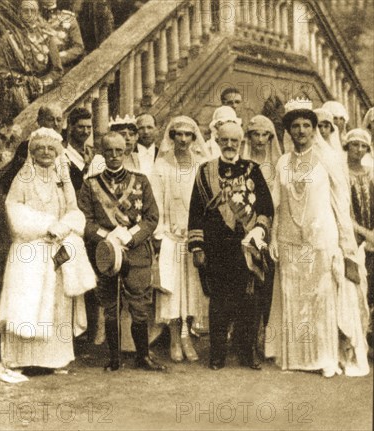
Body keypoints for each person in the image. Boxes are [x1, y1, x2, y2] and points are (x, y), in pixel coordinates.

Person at [266, 99, 370, 377]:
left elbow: (340, 206)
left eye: (306, 126)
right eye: (295, 126)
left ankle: (325, 357)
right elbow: (276, 204)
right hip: (289, 238)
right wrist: (274, 238)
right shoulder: (283, 162)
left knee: (321, 298)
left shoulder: (329, 160)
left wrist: (346, 245)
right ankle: (296, 357)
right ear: (288, 130)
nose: (301, 131)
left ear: (314, 130)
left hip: (322, 238)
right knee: (294, 296)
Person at [0, 127, 95, 377]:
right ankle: (19, 359)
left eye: (51, 149)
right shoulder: (23, 178)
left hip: (56, 248)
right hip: (30, 249)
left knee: (57, 304)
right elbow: (13, 209)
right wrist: (45, 225)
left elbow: (74, 209)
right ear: (32, 151)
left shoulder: (63, 179)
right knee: (26, 301)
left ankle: (55, 358)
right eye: (40, 148)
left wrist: (65, 225)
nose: (46, 153)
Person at [188, 122, 274, 371]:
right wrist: (197, 246)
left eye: (234, 141)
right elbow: (195, 212)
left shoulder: (252, 170)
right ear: (216, 140)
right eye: (224, 140)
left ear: (240, 143)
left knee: (249, 301)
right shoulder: (205, 171)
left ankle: (246, 353)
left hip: (246, 246)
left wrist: (258, 230)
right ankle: (217, 355)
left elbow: (266, 207)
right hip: (216, 248)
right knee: (218, 303)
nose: (229, 145)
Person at [78, 132, 166, 371]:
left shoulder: (141, 181)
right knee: (110, 306)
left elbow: (152, 217)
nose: (115, 156)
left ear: (127, 152)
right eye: (109, 151)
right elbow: (83, 220)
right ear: (102, 153)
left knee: (139, 307)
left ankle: (143, 356)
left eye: (119, 151)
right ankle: (114, 358)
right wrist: (106, 236)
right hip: (105, 254)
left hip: (136, 253)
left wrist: (131, 235)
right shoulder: (90, 184)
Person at [151, 116, 209, 363]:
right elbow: (156, 201)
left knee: (193, 289)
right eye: (179, 134)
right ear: (172, 137)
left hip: (194, 237)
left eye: (188, 135)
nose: (183, 139)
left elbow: (207, 203)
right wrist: (161, 233)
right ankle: (175, 338)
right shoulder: (162, 166)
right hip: (171, 237)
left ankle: (187, 336)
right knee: (172, 290)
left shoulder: (202, 166)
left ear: (194, 138)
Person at [0, 0, 63, 115]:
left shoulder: (47, 37)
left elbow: (57, 70)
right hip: (18, 91)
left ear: (37, 13)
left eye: (32, 11)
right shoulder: (9, 38)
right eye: (26, 11)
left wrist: (42, 83)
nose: (29, 14)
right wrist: (23, 80)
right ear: (20, 13)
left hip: (43, 91)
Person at [344, 128, 374, 356]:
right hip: (351, 236)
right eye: (355, 145)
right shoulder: (341, 173)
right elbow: (344, 212)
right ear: (347, 146)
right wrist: (362, 232)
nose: (360, 150)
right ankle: (353, 341)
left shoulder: (370, 173)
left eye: (364, 146)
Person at [0, 103, 64, 193]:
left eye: (59, 120)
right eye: (50, 120)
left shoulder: (64, 148)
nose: (56, 124)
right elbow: (14, 182)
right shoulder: (26, 148)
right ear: (39, 121)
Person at [240, 115, 283, 191]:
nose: (260, 139)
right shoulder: (242, 159)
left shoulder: (276, 162)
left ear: (269, 137)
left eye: (264, 135)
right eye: (256, 135)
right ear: (250, 137)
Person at [40, 0, 85, 68]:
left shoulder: (68, 18)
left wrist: (57, 58)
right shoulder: (31, 17)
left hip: (62, 67)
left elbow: (78, 48)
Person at [63, 107, 93, 191]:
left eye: (89, 127)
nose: (86, 131)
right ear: (71, 127)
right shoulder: (63, 153)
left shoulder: (93, 152)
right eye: (81, 127)